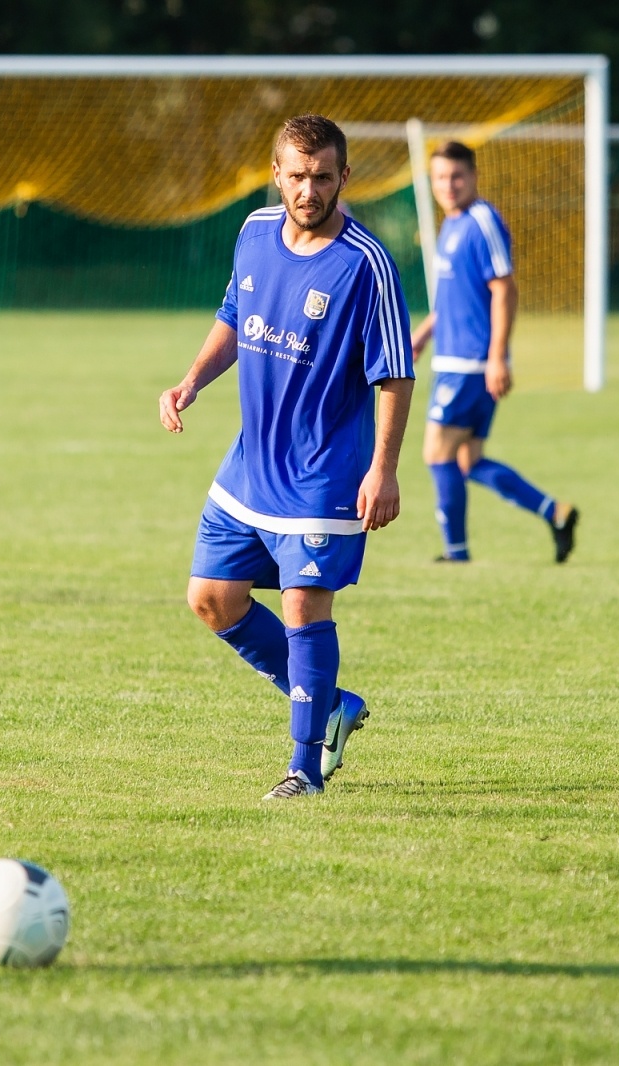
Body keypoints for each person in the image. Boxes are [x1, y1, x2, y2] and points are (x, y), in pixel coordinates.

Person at [158, 114, 414, 800]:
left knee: (304, 604)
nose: (309, 190)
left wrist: (383, 469)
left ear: (344, 178)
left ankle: (304, 768)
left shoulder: (366, 265)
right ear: (276, 175)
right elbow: (234, 316)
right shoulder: (253, 233)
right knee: (211, 599)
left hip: (324, 472)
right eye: (297, 176)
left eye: (323, 177)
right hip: (251, 466)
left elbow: (395, 372)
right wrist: (190, 381)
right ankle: (329, 703)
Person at [410, 140, 578, 564]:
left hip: (470, 363)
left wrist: (497, 357)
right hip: (455, 357)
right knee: (469, 460)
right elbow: (454, 300)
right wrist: (424, 334)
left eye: (457, 176)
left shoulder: (483, 220)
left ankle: (457, 554)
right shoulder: (451, 224)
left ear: (474, 177)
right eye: (441, 178)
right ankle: (555, 513)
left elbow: (504, 288)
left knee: (437, 454)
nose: (449, 185)